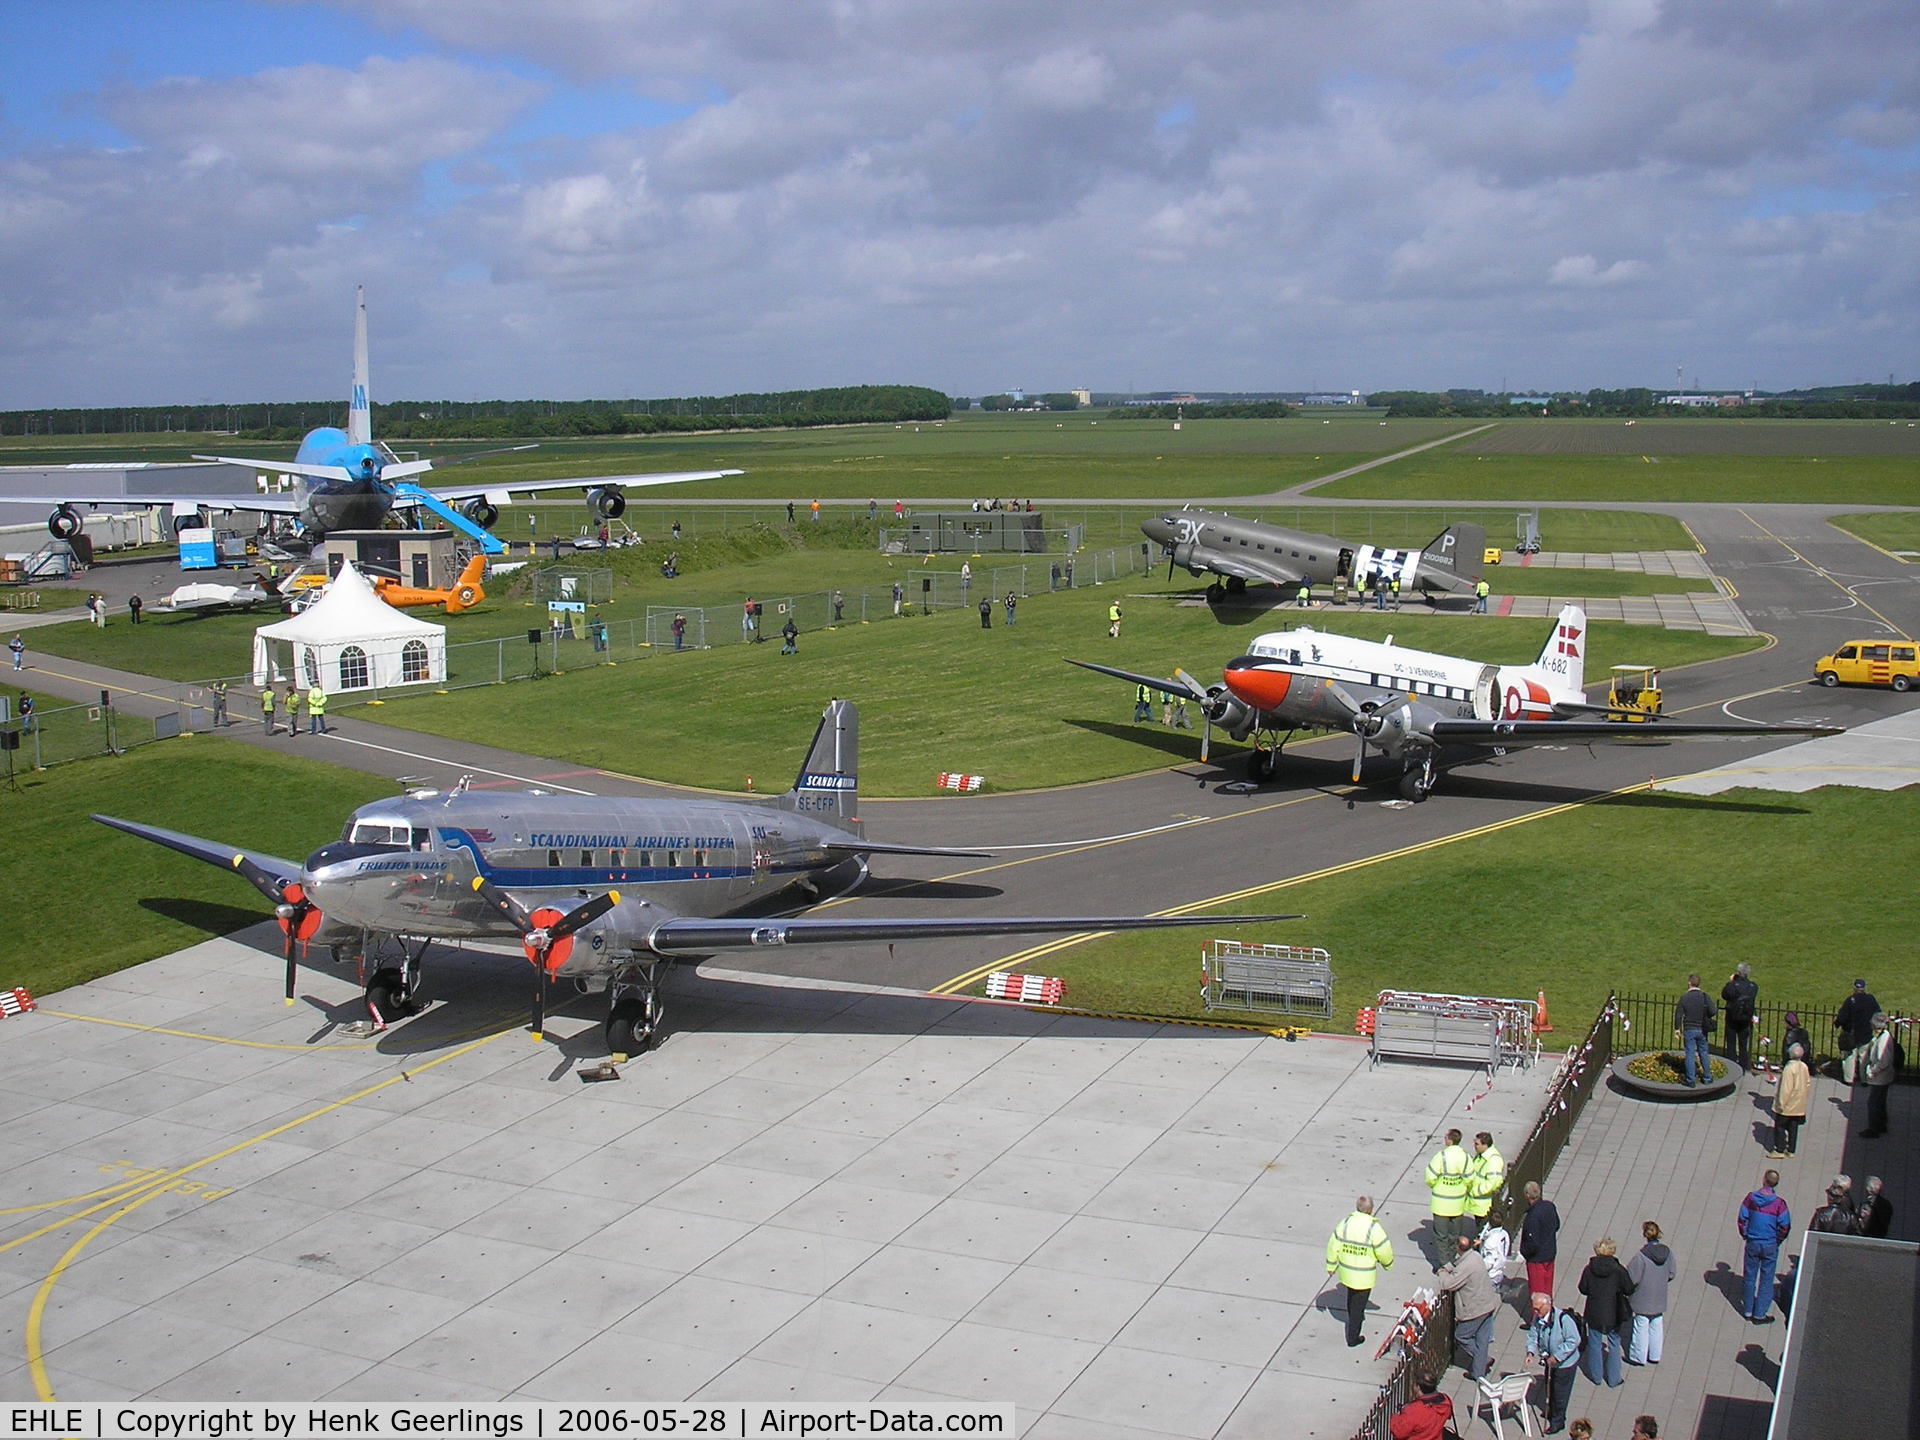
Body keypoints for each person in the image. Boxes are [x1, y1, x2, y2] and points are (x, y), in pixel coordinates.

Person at [1325, 1195, 1393, 1347]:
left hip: (1348, 1272)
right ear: (1370, 1209)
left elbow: (1333, 1244)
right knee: (1359, 1306)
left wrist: (1331, 1266)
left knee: (1352, 1297)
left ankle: (1353, 1322)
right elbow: (1383, 1249)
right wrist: (1387, 1264)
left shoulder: (1346, 1223)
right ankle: (1353, 1338)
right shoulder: (1373, 1228)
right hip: (1364, 1275)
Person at [1437, 1234, 1498, 1381]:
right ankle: (1478, 1372)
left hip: (1475, 1309)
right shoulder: (1475, 1257)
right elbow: (1459, 1268)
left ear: (1458, 1248)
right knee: (1482, 1340)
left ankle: (1482, 1359)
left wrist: (1442, 1273)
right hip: (1488, 1303)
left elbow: (1448, 1284)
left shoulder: (1466, 1266)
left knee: (1462, 1336)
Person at [1576, 1237, 1633, 1387]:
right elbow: (1629, 1288)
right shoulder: (1619, 1270)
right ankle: (1614, 1378)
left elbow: (1583, 1288)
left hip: (1594, 1311)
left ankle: (1596, 1376)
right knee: (1614, 1343)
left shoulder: (1589, 1268)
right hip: (1613, 1312)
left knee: (1594, 1343)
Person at [1736, 1168, 1790, 1324]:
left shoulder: (1750, 1199)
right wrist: (1777, 1240)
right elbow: (1785, 1226)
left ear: (1763, 1180)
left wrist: (1746, 1234)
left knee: (1749, 1276)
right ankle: (1759, 1313)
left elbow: (1742, 1218)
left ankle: (1747, 1309)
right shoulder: (1779, 1204)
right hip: (1769, 1244)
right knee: (1766, 1279)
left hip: (1753, 1242)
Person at [1526, 1291, 1582, 1435]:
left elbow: (1573, 1340)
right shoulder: (1537, 1318)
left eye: (1538, 1308)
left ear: (1548, 1305)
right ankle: (1551, 1411)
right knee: (1549, 1387)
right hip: (1549, 1361)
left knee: (1560, 1393)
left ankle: (1558, 1421)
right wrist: (1530, 1351)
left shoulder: (1564, 1320)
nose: (1536, 1311)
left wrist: (1557, 1356)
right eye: (1534, 1308)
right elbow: (1533, 1335)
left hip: (1565, 1364)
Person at [1625, 1221, 1674, 1366]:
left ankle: (1638, 1357)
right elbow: (1672, 1273)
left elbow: (1632, 1278)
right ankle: (1655, 1355)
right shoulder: (1668, 1253)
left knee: (1641, 1326)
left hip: (1642, 1298)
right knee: (1657, 1325)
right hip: (1659, 1296)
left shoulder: (1641, 1256)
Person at [1425, 1128, 1471, 1266]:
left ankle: (1444, 1263)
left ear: (1450, 1140)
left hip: (1441, 1204)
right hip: (1457, 1204)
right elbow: (1470, 1179)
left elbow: (1430, 1177)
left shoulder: (1441, 1156)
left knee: (1441, 1236)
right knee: (1454, 1235)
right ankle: (1452, 1259)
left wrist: (1438, 1185)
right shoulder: (1465, 1157)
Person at [1673, 973, 1717, 1087]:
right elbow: (1713, 1011)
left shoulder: (1685, 997)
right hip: (1702, 1028)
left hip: (1689, 1029)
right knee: (1703, 1053)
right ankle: (1707, 1077)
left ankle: (1690, 1080)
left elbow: (1678, 1015)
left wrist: (1677, 1029)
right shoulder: (1704, 996)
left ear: (1689, 983)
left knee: (1690, 1054)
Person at [1835, 978, 1880, 1083]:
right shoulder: (1871, 999)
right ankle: (1864, 1079)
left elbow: (1842, 1017)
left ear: (1854, 988)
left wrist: (1837, 1024)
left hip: (1852, 1034)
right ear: (1864, 988)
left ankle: (1849, 1079)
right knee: (1864, 1058)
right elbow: (1877, 1013)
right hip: (1866, 1033)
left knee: (1849, 1057)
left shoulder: (1850, 1000)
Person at [1521, 1180, 1561, 1300]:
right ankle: (1549, 1314)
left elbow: (1532, 1243)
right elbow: (1557, 1225)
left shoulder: (1532, 1216)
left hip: (1537, 1259)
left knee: (1538, 1293)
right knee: (1547, 1290)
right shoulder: (1549, 1206)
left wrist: (1525, 1252)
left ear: (1527, 1195)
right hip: (1550, 1254)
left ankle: (1539, 1317)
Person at [1862, 1012, 1899, 1137]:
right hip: (1884, 1077)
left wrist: (1872, 1071)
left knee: (1873, 1103)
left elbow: (1884, 1060)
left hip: (1880, 1077)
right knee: (1880, 1101)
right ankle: (1881, 1124)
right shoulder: (1884, 1035)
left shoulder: (1883, 1039)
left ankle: (1874, 1129)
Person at [1387, 1369, 1453, 1440]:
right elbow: (1447, 1415)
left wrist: (1394, 1418)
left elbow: (1399, 1432)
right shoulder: (1445, 1400)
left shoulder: (1415, 1410)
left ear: (1418, 1387)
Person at [1770, 1042, 1810, 1157]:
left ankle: (1779, 1150)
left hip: (1788, 1104)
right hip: (1799, 1103)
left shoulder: (1789, 1068)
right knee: (1793, 1127)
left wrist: (1780, 1104)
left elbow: (1785, 1089)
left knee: (1780, 1127)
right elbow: (1807, 1084)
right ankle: (1791, 1150)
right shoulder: (1803, 1066)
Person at [1466, 1131, 1505, 1239]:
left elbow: (1493, 1182)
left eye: (1477, 1144)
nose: (1474, 1146)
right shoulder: (1481, 1155)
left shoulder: (1493, 1160)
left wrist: (1475, 1191)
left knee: (1483, 1233)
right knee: (1480, 1228)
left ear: (1485, 1145)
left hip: (1484, 1204)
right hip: (1478, 1204)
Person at [1722, 962, 1758, 1070]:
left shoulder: (1732, 985)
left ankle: (1731, 1066)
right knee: (1743, 1043)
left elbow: (1724, 995)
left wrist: (1731, 981)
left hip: (1732, 1018)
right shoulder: (1753, 987)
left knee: (1731, 1043)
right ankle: (1743, 1065)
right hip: (1746, 1018)